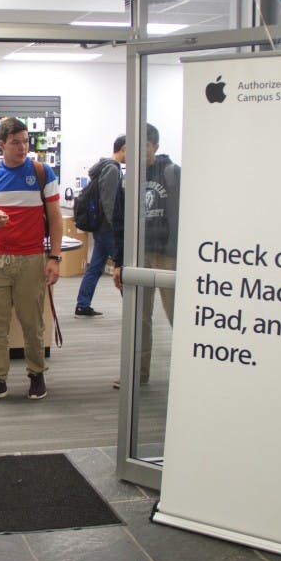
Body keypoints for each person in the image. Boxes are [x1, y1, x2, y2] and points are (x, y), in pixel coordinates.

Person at [0, 117, 63, 405]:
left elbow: (56, 218)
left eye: (25, 141)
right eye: (16, 142)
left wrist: (55, 258)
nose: (23, 147)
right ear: (1, 144)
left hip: (31, 259)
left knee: (32, 323)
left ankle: (36, 374)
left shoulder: (41, 172)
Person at [112, 124, 179, 387]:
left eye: (145, 146)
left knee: (176, 315)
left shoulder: (173, 174)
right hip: (137, 256)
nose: (140, 151)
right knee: (139, 318)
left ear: (156, 146)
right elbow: (120, 222)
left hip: (167, 256)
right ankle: (138, 372)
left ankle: (189, 372)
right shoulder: (128, 179)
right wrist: (119, 262)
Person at [74, 135, 126, 316]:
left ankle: (82, 304)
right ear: (124, 148)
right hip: (108, 229)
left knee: (96, 266)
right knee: (123, 266)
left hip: (101, 227)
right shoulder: (112, 170)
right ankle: (132, 309)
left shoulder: (103, 168)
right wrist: (117, 226)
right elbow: (109, 201)